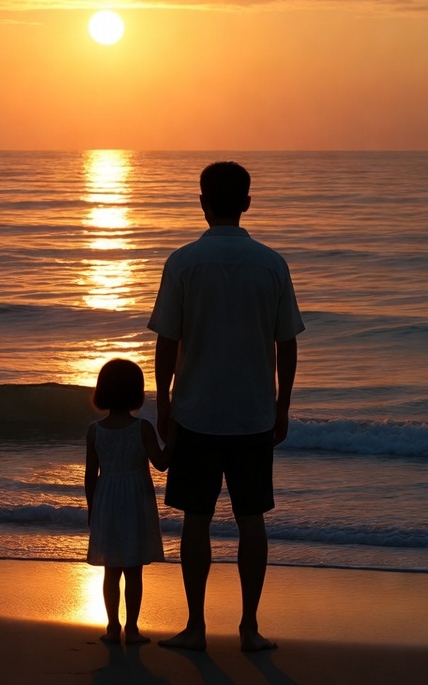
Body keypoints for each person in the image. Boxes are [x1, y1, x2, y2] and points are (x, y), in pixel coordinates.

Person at [148, 161, 304, 653]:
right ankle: (249, 628)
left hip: (197, 411)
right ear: (247, 203)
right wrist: (282, 406)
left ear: (203, 202)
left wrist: (165, 401)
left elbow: (167, 342)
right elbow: (287, 345)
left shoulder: (184, 262)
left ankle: (196, 627)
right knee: (251, 519)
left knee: (196, 519)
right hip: (253, 413)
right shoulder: (272, 264)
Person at [85, 358, 171, 645]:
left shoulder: (95, 430)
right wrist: (176, 437)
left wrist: (92, 509)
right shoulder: (142, 428)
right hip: (136, 502)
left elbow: (90, 476)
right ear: (136, 392)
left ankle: (112, 628)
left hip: (107, 500)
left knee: (111, 571)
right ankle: (131, 629)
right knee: (133, 571)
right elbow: (161, 464)